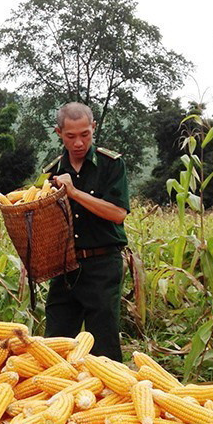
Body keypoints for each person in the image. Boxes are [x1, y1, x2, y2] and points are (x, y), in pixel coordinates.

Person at [45, 102, 129, 361]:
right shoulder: (52, 173)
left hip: (102, 264)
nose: (79, 142)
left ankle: (111, 397)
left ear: (94, 127)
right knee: (54, 347)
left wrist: (74, 193)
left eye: (85, 134)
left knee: (103, 346)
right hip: (65, 266)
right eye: (71, 136)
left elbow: (117, 213)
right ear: (59, 133)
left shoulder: (111, 165)